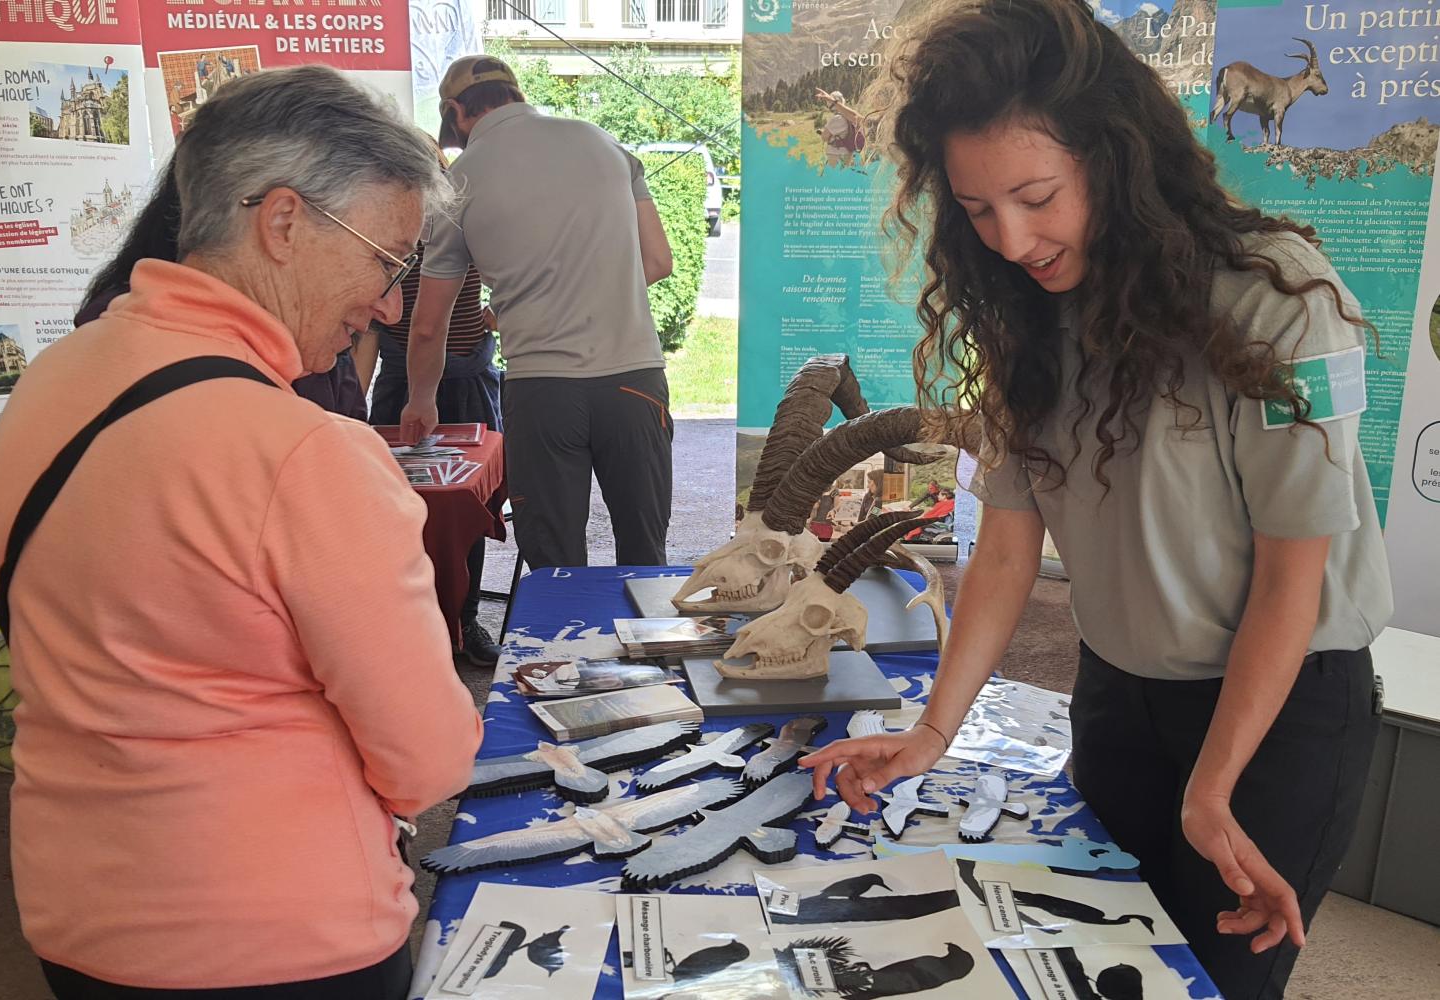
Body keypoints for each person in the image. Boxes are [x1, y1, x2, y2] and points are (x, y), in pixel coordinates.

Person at [800, 3, 1391, 999]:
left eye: (1035, 196)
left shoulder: (1279, 302)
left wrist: (1215, 783)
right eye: (979, 210)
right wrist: (933, 730)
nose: (1012, 239)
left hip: (1278, 709)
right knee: (1091, 966)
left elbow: (1297, 578)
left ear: (1114, 159)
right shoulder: (1030, 318)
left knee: (1213, 981)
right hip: (1119, 690)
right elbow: (1005, 550)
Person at [0, 65, 483, 998]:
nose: (387, 304)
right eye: (388, 261)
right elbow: (429, 757)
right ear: (283, 221)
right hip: (281, 939)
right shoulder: (300, 452)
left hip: (81, 917)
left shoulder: (53, 381)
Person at [400, 55, 676, 570]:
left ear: (456, 111)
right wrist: (581, 292)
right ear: (516, 93)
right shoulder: (603, 143)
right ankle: (651, 652)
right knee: (645, 557)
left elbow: (428, 322)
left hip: (544, 390)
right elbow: (658, 261)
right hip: (635, 382)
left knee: (554, 566)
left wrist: (421, 400)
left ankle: (562, 650)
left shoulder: (458, 181)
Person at [74, 151, 370, 420]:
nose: (389, 308)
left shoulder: (308, 329)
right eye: (381, 259)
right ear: (280, 225)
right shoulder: (142, 337)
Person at [368, 143, 503, 668]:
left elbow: (513, 269)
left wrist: (501, 310)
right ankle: (404, 620)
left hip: (467, 375)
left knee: (469, 503)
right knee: (393, 503)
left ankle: (465, 621)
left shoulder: (462, 218)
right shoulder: (383, 228)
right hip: (401, 375)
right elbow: (375, 327)